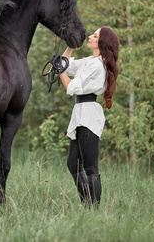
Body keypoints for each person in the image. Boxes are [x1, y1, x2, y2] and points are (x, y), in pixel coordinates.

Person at [59, 26, 119, 206]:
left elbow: (70, 86)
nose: (91, 37)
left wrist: (59, 70)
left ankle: (95, 209)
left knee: (90, 167)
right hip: (80, 113)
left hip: (89, 114)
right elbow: (66, 65)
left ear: (102, 42)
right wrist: (70, 47)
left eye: (95, 35)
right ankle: (88, 204)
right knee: (73, 164)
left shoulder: (96, 65)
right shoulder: (89, 61)